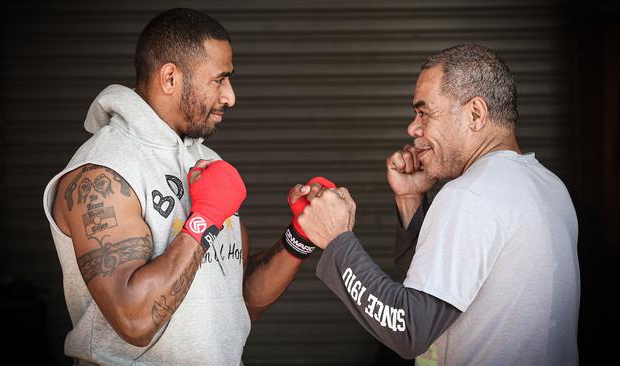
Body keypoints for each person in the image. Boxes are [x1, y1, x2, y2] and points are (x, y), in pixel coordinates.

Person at [42, 8, 332, 365]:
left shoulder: (206, 161)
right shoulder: (103, 174)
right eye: (219, 79)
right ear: (169, 78)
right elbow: (134, 319)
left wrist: (298, 237)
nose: (231, 96)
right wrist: (204, 217)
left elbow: (237, 302)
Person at [296, 44, 580, 365]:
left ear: (475, 114)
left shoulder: (470, 195)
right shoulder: (550, 186)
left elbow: (410, 330)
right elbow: (435, 293)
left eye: (424, 112)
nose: (413, 128)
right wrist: (410, 200)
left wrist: (337, 239)